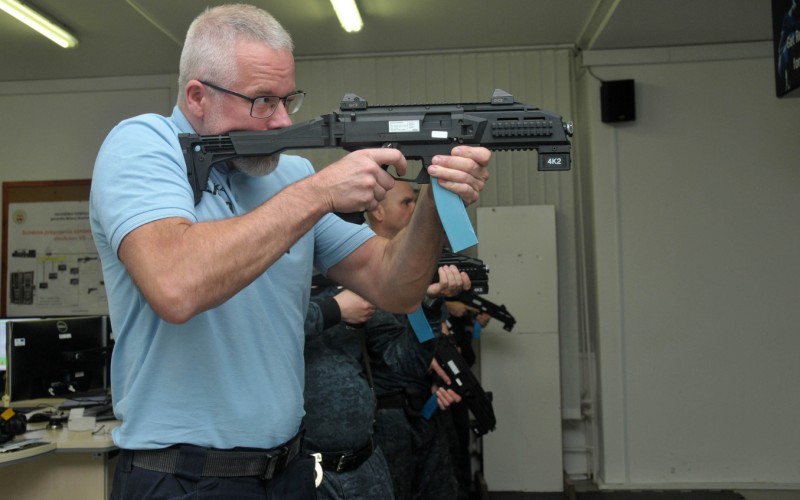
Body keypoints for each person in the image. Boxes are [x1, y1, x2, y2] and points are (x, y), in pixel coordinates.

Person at [89, 3, 490, 498]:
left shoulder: (289, 173)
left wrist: (434, 192)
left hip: (290, 470)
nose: (281, 121)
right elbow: (176, 285)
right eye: (262, 101)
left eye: (288, 99)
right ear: (197, 97)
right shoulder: (144, 145)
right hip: (181, 476)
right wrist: (319, 192)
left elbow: (397, 287)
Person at [360, 182, 470, 500]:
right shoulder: (360, 269)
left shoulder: (419, 266)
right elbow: (394, 357)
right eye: (407, 202)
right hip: (387, 418)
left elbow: (424, 338)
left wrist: (437, 380)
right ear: (377, 211)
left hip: (425, 408)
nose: (415, 209)